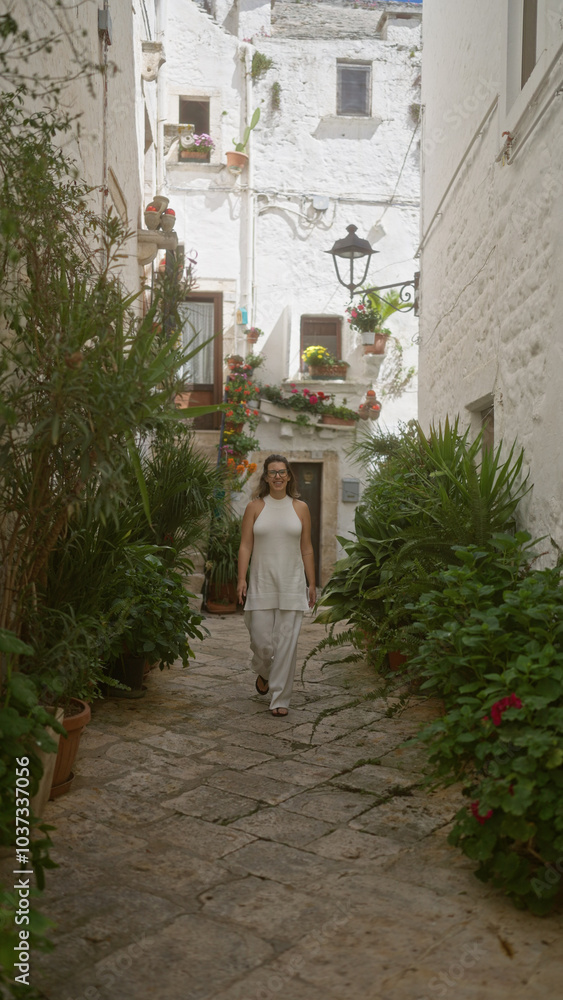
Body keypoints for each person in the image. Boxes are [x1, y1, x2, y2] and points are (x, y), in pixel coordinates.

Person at [237, 454, 316, 717]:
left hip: (292, 584)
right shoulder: (255, 507)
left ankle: (280, 698)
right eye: (273, 472)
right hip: (261, 583)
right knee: (262, 643)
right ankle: (264, 672)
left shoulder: (301, 508)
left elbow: (306, 548)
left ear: (289, 476)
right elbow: (245, 545)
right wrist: (241, 578)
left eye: (282, 472)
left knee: (287, 645)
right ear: (266, 477)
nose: (278, 476)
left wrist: (312, 583)